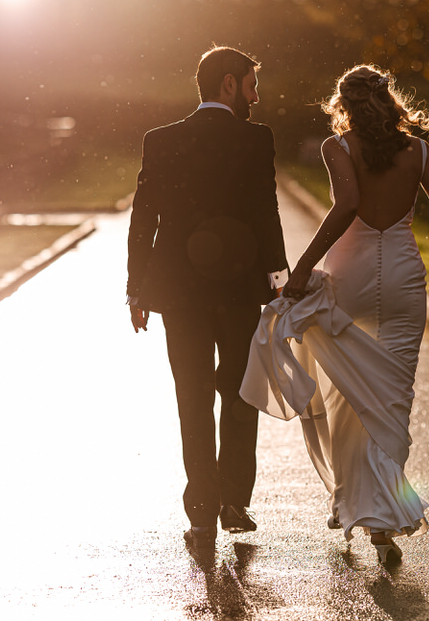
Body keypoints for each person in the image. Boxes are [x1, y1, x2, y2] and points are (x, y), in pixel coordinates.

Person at [242, 64, 429, 566]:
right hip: (405, 280)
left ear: (342, 104)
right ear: (389, 101)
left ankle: (353, 500)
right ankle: (380, 516)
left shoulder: (337, 148)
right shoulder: (419, 151)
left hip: (353, 275)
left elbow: (347, 204)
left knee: (348, 393)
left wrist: (302, 268)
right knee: (392, 398)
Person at [127, 46, 289, 551]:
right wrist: (279, 282)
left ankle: (201, 513)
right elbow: (267, 211)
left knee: (191, 398)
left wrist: (136, 288)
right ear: (227, 85)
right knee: (240, 395)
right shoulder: (256, 139)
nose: (255, 96)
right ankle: (235, 501)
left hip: (180, 295)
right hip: (240, 293)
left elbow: (143, 218)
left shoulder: (161, 141)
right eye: (250, 85)